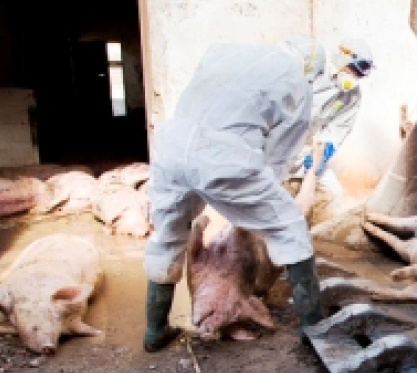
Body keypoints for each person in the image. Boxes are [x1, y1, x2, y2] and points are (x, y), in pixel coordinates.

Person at [142, 36, 360, 352]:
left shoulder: (225, 49)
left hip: (171, 146)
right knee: (291, 230)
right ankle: (314, 328)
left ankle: (155, 329)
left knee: (168, 236)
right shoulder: (297, 82)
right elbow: (278, 157)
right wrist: (264, 204)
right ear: (311, 70)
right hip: (224, 155)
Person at [285, 37, 375, 226]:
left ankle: (321, 236)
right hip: (276, 142)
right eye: (353, 71)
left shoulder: (352, 96)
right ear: (342, 56)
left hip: (304, 149)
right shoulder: (313, 67)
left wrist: (318, 160)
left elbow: (335, 132)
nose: (355, 78)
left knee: (332, 192)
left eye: (359, 76)